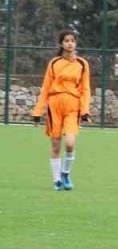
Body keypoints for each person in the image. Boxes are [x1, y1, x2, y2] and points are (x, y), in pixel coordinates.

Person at [32, 30, 92, 191]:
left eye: (73, 40)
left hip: (73, 106)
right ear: (61, 44)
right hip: (54, 106)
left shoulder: (82, 64)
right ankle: (57, 180)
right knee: (56, 146)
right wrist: (37, 112)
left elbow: (85, 89)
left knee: (70, 143)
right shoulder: (54, 63)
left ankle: (65, 173)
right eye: (66, 40)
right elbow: (45, 88)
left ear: (76, 43)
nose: (70, 43)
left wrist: (85, 110)